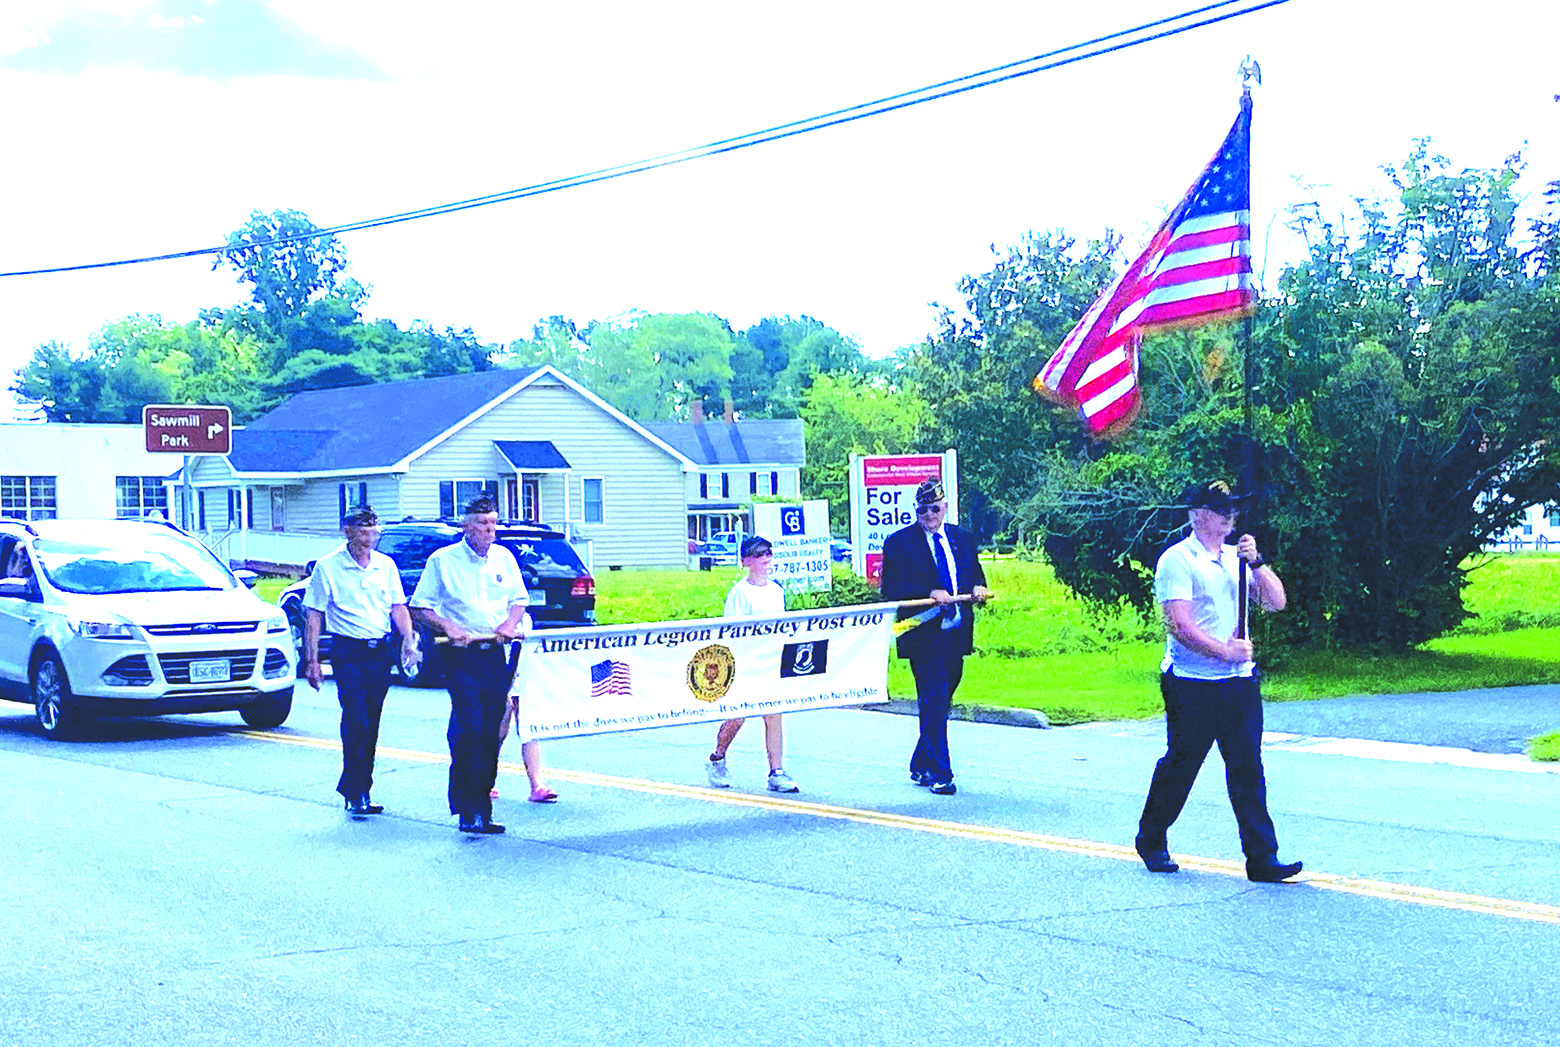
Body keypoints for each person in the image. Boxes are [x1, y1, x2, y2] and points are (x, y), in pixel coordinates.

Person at [1135, 480, 1304, 883]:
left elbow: (1276, 602)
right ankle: (1152, 837)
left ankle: (1262, 857)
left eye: (1231, 509)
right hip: (1193, 682)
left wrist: (1257, 562)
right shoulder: (1178, 560)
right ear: (1197, 515)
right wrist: (1222, 651)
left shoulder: (1237, 558)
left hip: (1239, 684)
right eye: (1218, 509)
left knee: (1247, 768)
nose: (1228, 516)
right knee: (1182, 763)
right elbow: (1179, 624)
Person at [409, 494, 530, 835]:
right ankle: (466, 808)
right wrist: (447, 626)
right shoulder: (443, 560)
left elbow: (519, 600)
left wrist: (510, 623)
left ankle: (483, 807)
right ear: (466, 525)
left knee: (492, 729)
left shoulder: (503, 559)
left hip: (493, 652)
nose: (489, 531)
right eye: (482, 524)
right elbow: (422, 607)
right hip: (460, 653)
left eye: (493, 524)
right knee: (470, 727)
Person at [301, 506, 419, 816]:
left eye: (373, 531)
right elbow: (314, 615)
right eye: (363, 531)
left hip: (378, 651)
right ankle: (355, 790)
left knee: (373, 721)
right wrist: (312, 660)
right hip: (348, 651)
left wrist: (408, 640)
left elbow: (398, 607)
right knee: (356, 719)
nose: (369, 538)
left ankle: (360, 786)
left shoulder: (385, 565)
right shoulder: (328, 567)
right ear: (348, 531)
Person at [879, 479, 990, 796]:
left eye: (934, 508)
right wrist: (928, 592)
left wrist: (978, 589)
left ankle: (921, 761)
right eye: (922, 509)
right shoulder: (900, 543)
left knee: (940, 701)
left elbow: (973, 574)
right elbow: (892, 589)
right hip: (921, 633)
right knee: (935, 696)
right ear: (916, 511)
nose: (928, 515)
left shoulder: (961, 538)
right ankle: (942, 773)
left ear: (944, 508)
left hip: (955, 632)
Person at [705, 535, 799, 793]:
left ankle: (776, 771)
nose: (765, 560)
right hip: (745, 663)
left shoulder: (776, 591)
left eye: (768, 554)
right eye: (758, 555)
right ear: (746, 561)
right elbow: (731, 632)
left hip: (771, 662)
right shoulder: (739, 593)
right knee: (737, 717)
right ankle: (717, 757)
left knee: (774, 714)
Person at [496, 667, 558, 803]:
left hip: (527, 669)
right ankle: (485, 779)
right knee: (500, 725)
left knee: (528, 725)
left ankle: (537, 786)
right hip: (503, 665)